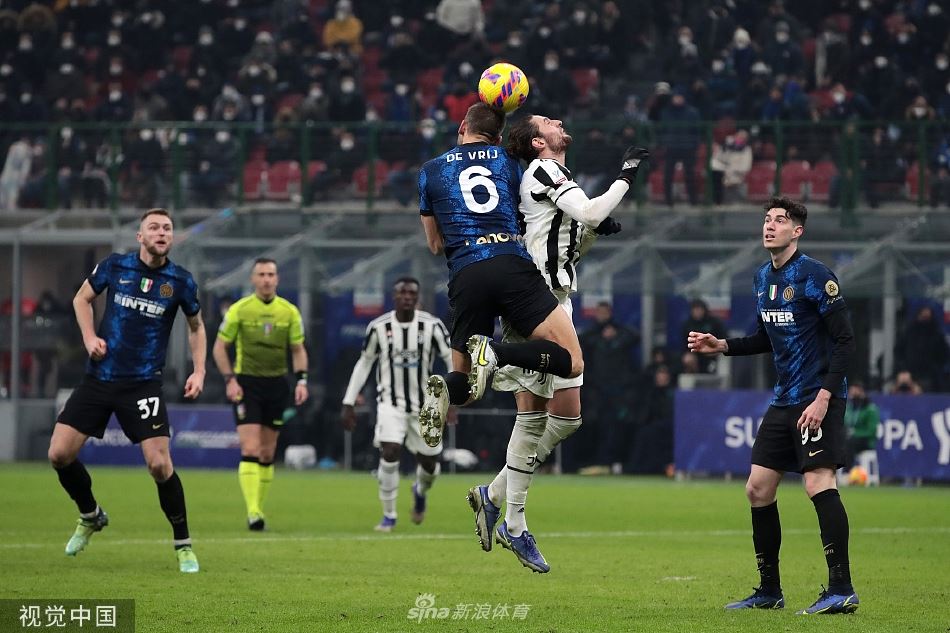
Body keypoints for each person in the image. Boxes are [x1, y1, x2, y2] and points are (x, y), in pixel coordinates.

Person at [463, 113, 646, 572]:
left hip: (556, 298)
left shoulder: (555, 176)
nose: (559, 121)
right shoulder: (544, 169)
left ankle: (492, 495)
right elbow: (591, 212)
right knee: (536, 411)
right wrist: (626, 175)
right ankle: (515, 524)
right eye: (547, 121)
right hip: (535, 299)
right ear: (539, 142)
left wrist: (594, 232)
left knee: (567, 417)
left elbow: (571, 239)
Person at [417, 104, 642, 453]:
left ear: (462, 126)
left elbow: (434, 245)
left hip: (465, 272)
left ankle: (446, 389)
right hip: (510, 266)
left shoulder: (430, 171)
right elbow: (524, 212)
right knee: (571, 361)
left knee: (466, 384)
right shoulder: (508, 163)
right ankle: (495, 353)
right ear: (498, 138)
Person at [688, 196, 860, 614]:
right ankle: (769, 591)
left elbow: (845, 340)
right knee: (758, 488)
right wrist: (722, 345)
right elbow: (767, 337)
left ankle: (841, 588)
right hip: (785, 398)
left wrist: (824, 397)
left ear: (797, 231)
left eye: (779, 220)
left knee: (818, 482)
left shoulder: (816, 276)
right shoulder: (762, 277)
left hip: (818, 396)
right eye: (766, 219)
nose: (769, 226)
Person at [47, 208, 206, 573]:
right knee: (59, 454)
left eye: (167, 228)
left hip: (143, 383)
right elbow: (81, 299)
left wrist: (199, 371)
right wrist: (89, 338)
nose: (162, 232)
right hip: (99, 378)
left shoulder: (180, 281)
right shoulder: (115, 266)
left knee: (159, 464)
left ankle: (183, 545)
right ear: (140, 236)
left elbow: (196, 326)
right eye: (154, 227)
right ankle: (91, 515)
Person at [340, 277, 454, 532]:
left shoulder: (432, 326)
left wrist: (453, 398)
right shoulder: (378, 327)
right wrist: (348, 402)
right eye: (402, 293)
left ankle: (420, 490)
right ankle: (388, 515)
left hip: (426, 407)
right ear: (394, 297)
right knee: (389, 451)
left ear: (417, 297)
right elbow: (364, 363)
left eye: (411, 293)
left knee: (430, 466)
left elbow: (450, 359)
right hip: (390, 404)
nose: (406, 297)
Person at [212, 258, 309, 531]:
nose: (266, 279)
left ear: (277, 279)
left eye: (271, 274)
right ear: (253, 279)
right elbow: (219, 348)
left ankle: (258, 507)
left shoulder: (289, 312)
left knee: (267, 453)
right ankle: (253, 512)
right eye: (262, 274)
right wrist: (230, 380)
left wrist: (302, 381)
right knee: (250, 449)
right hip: (247, 385)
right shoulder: (240, 310)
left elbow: (298, 349)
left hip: (277, 385)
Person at [843, 382, 879, 468]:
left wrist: (855, 433)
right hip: (850, 439)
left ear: (862, 393)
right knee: (840, 441)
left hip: (866, 441)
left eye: (856, 393)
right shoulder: (849, 408)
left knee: (849, 443)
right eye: (852, 394)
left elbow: (872, 431)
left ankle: (847, 470)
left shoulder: (870, 409)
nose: (853, 396)